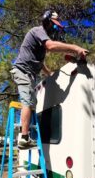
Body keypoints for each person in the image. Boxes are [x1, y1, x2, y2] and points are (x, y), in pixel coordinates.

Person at [11, 10, 89, 149]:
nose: (55, 29)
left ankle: (29, 133)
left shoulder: (40, 47)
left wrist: (49, 73)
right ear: (46, 22)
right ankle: (24, 138)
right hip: (23, 71)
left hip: (29, 73)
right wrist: (75, 48)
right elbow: (51, 46)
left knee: (31, 102)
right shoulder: (38, 31)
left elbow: (40, 64)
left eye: (57, 27)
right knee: (27, 101)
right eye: (54, 26)